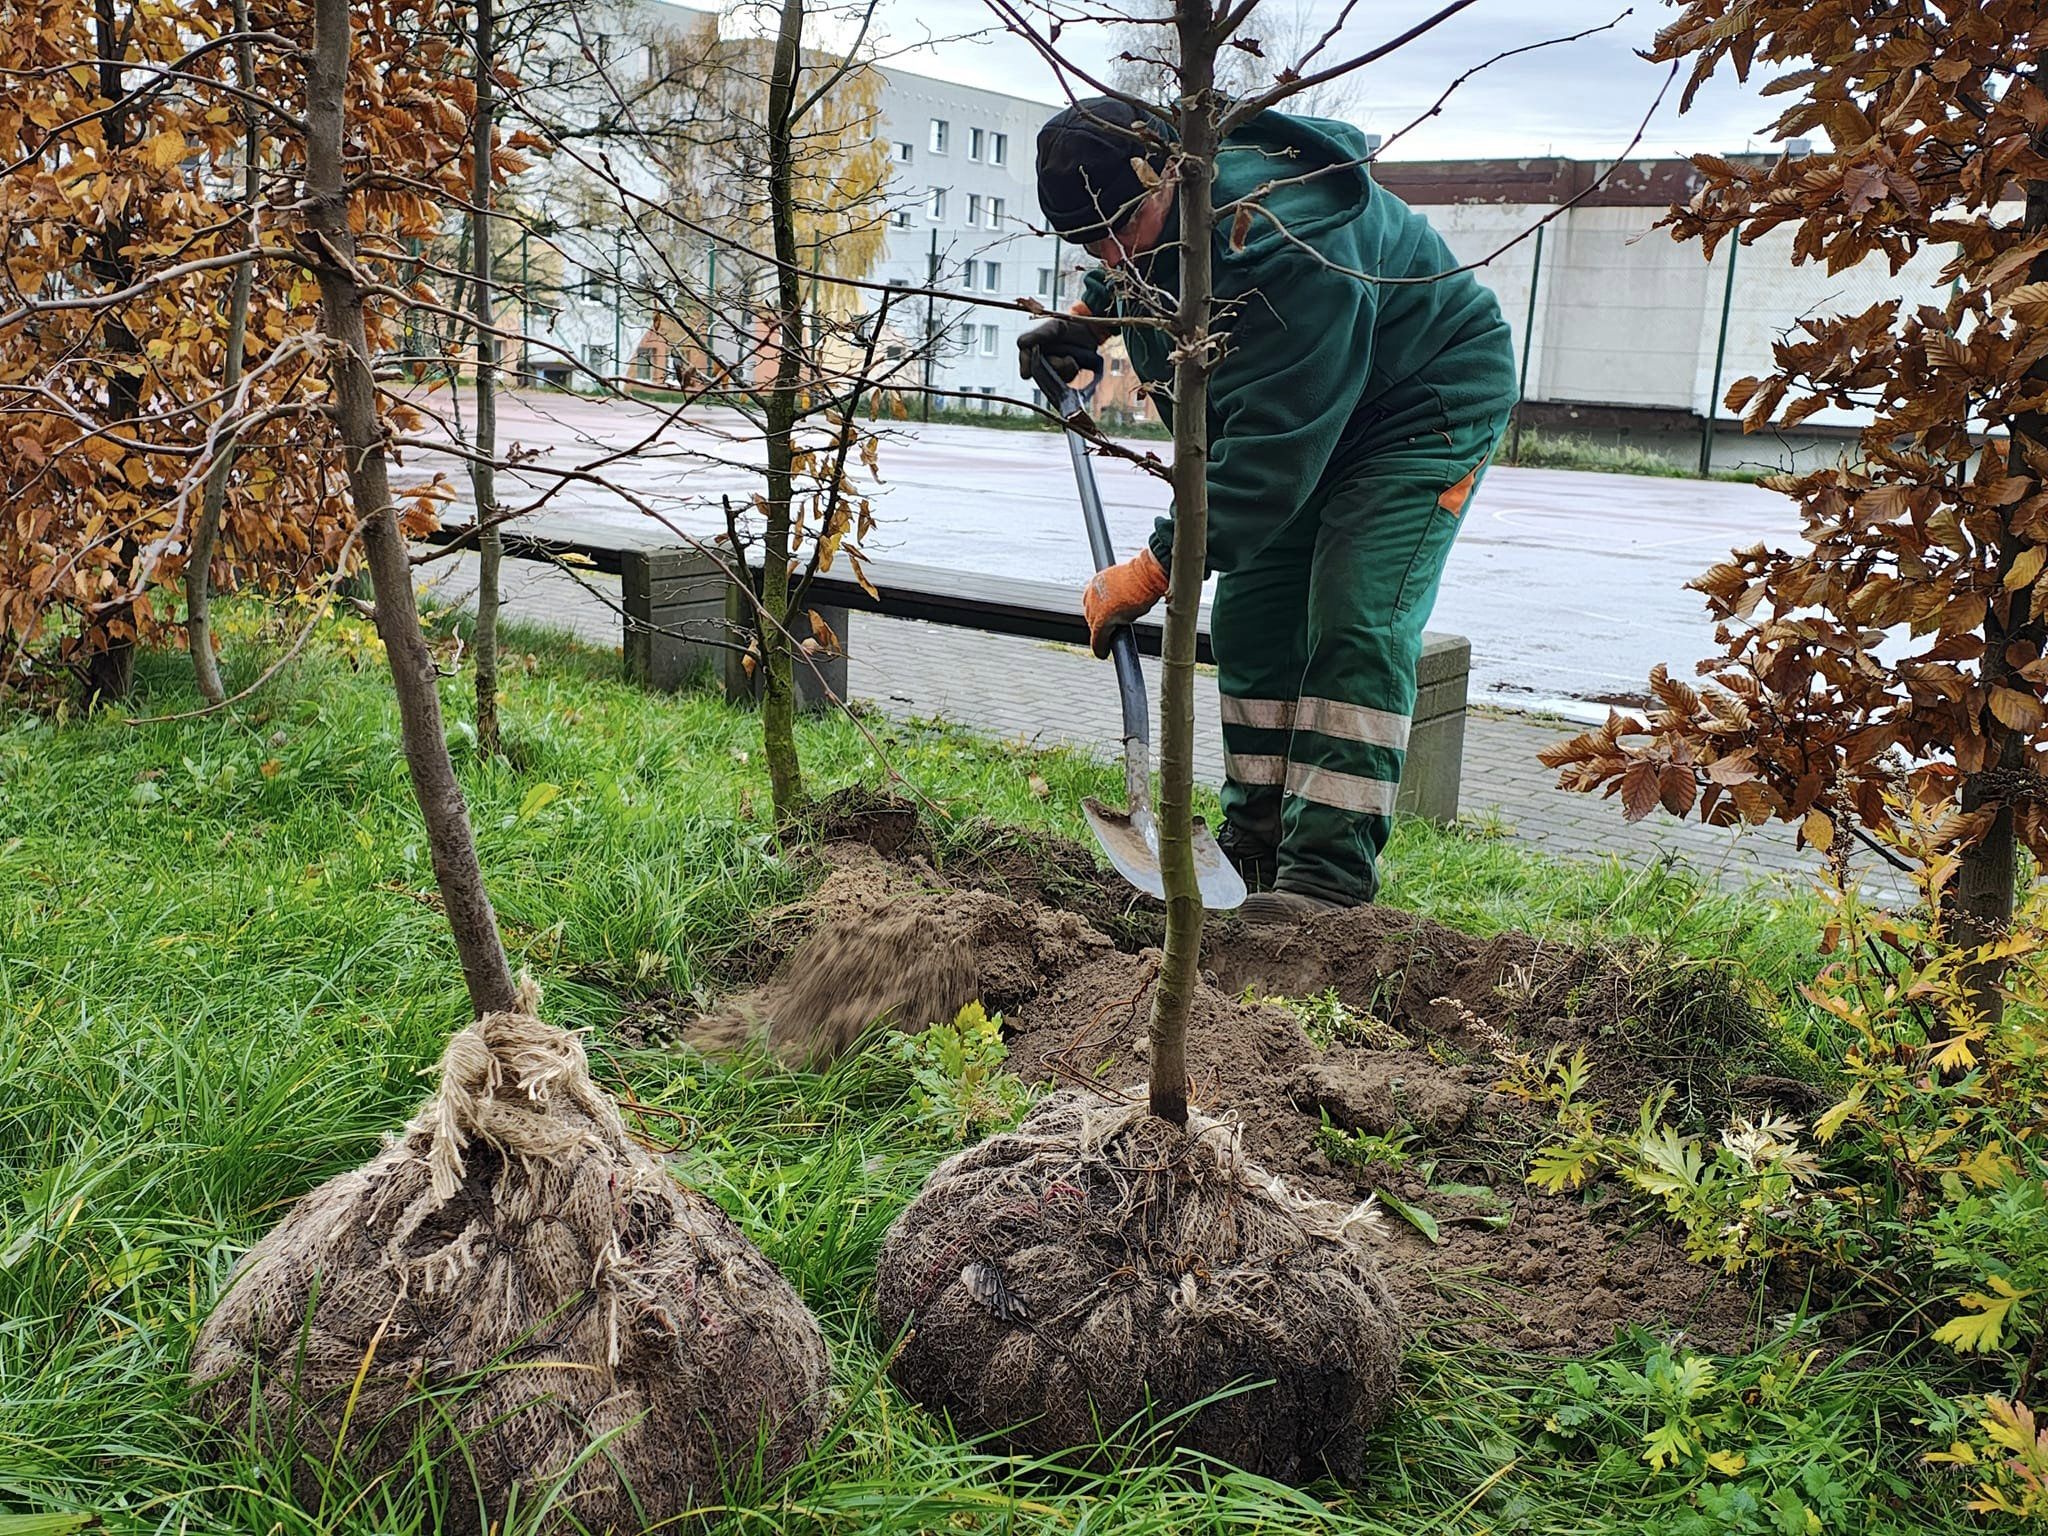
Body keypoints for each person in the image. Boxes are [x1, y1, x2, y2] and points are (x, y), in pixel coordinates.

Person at [1020, 97, 1517, 924]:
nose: (1110, 253)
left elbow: (1265, 462)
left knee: (1354, 619)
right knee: (1253, 616)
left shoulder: (1287, 245)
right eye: (1085, 243)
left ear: (1169, 171)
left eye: (1119, 228)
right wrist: (1089, 319)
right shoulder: (1149, 223)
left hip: (1417, 406)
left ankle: (1324, 883)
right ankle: (1255, 843)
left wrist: (1151, 572)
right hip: (1307, 411)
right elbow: (1155, 281)